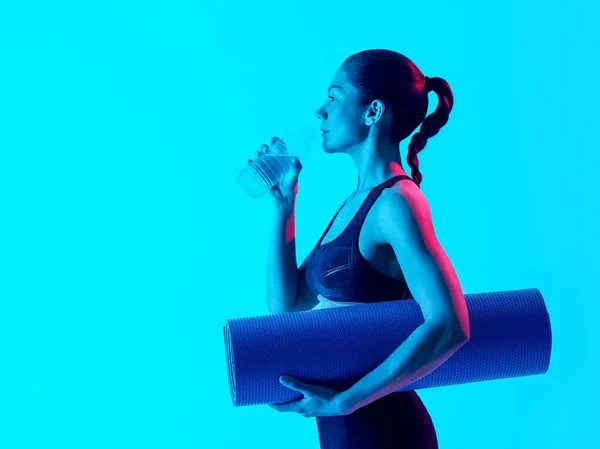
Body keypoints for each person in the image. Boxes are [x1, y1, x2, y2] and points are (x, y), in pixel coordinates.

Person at [252, 49, 469, 448]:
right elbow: (286, 308)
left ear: (372, 112)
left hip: (384, 430)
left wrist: (344, 402)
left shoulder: (397, 202)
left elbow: (450, 324)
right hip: (341, 430)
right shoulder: (354, 203)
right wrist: (284, 204)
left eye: (333, 98)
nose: (320, 111)